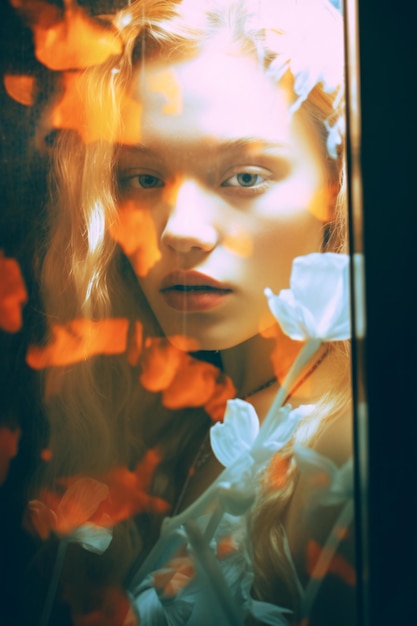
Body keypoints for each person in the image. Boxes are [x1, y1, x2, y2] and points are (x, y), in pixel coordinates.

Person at [26, 0, 355, 624]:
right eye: (143, 179)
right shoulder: (174, 428)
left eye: (245, 176)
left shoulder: (343, 460)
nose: (180, 230)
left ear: (334, 186)